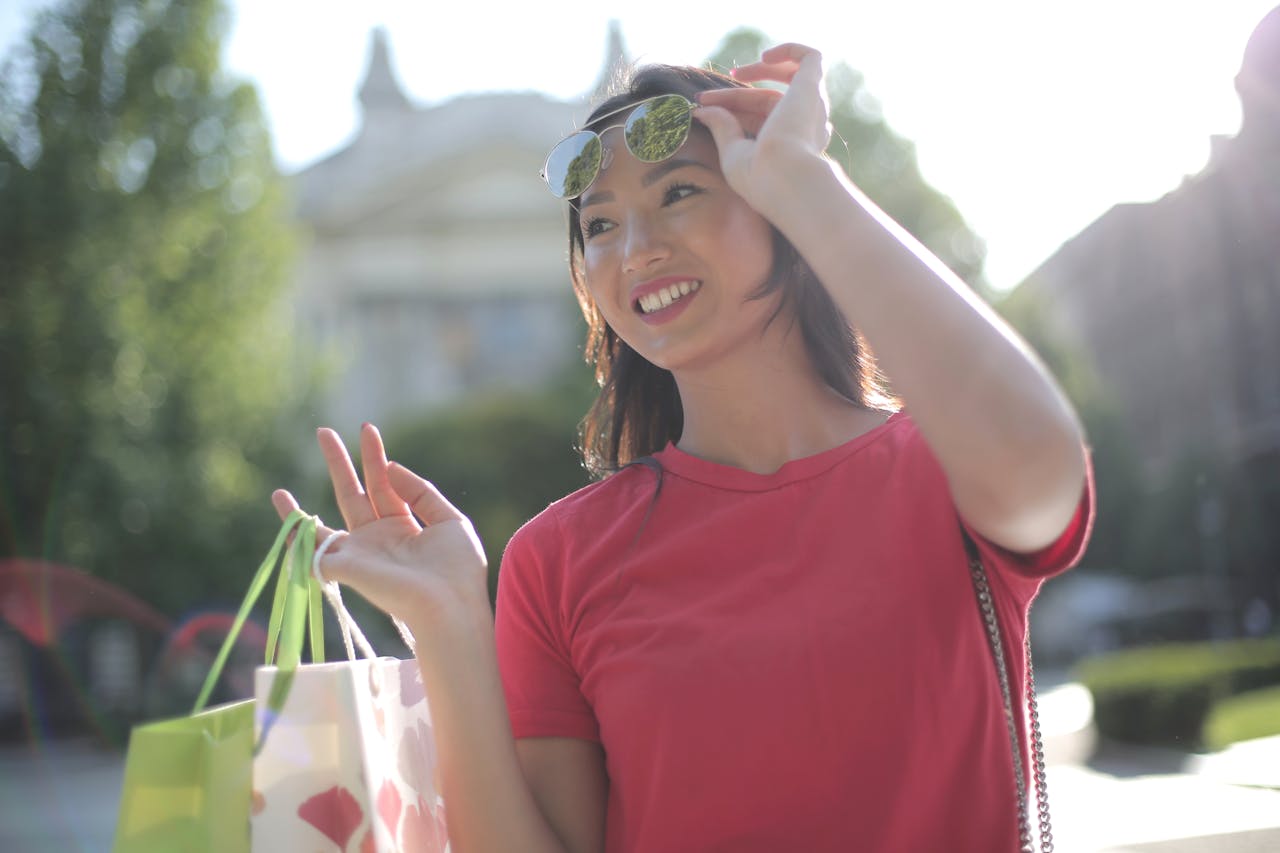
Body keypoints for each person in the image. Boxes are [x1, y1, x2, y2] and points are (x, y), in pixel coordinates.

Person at [272, 42, 1093, 853]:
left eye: (681, 193)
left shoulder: (948, 465)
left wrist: (805, 181)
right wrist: (447, 623)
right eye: (599, 224)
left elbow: (1043, 458)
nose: (635, 249)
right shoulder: (558, 560)